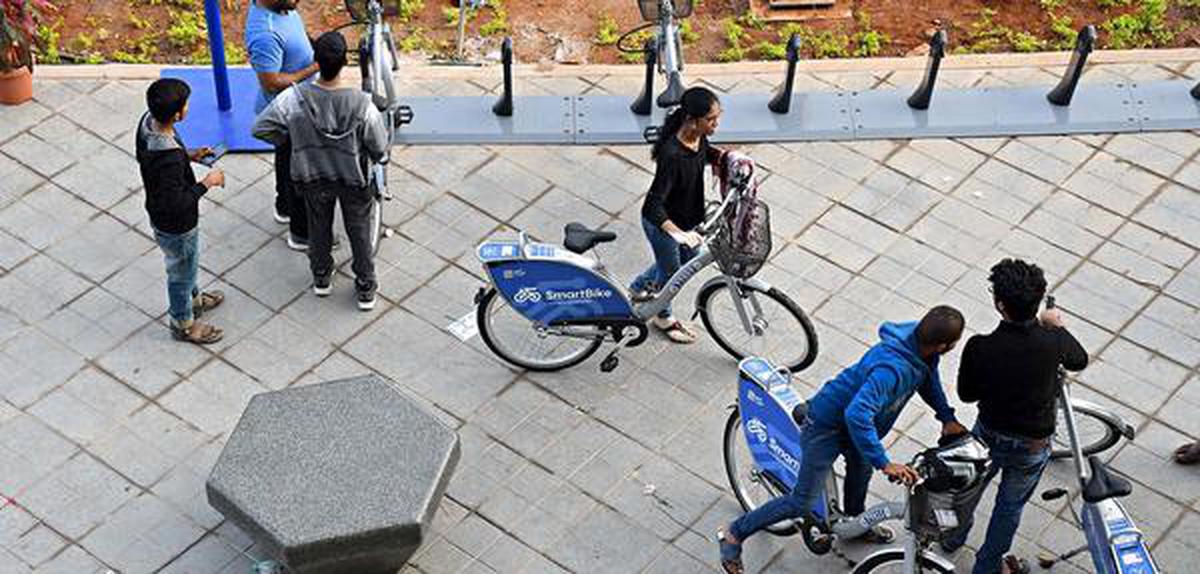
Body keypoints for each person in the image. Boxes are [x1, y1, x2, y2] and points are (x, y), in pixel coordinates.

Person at [718, 306, 970, 574]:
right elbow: (856, 414)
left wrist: (946, 418)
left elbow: (928, 379)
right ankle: (734, 534)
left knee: (860, 471)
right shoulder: (891, 369)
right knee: (801, 501)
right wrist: (884, 463)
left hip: (854, 427)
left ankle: (854, 525)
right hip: (827, 426)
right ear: (944, 345)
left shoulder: (922, 347)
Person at [941, 259, 1088, 574]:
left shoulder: (980, 347)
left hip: (988, 434)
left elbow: (967, 394)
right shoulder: (1052, 341)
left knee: (969, 490)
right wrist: (1057, 325)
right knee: (1009, 508)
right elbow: (1079, 359)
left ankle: (953, 537)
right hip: (1032, 445)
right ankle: (987, 566)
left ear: (999, 304)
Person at [252, 31, 388, 311]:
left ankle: (322, 277)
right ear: (345, 62)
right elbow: (378, 146)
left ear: (316, 60)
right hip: (353, 179)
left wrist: (293, 140)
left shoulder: (294, 98)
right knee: (359, 231)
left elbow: (261, 128)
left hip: (311, 178)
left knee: (318, 227)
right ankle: (365, 286)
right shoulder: (363, 104)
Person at [629, 86, 724, 344]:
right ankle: (663, 316)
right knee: (672, 273)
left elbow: (707, 154)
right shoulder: (672, 155)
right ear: (692, 120)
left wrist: (729, 159)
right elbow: (653, 205)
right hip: (664, 226)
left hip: (689, 218)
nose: (716, 123)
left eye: (718, 116)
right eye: (711, 119)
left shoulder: (699, 137)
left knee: (682, 262)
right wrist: (678, 234)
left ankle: (638, 288)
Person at [135, 78, 226, 344]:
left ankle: (194, 300)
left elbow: (166, 155)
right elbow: (178, 201)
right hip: (177, 225)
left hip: (160, 213)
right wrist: (207, 183)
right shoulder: (169, 160)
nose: (188, 107)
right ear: (177, 114)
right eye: (185, 105)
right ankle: (183, 322)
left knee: (187, 264)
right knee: (181, 272)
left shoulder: (147, 125)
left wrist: (191, 154)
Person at [245, 0, 320, 250]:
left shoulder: (281, 7)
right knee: (300, 172)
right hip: (289, 114)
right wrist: (313, 68)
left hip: (296, 108)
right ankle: (301, 234)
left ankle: (284, 207)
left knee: (286, 159)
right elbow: (272, 82)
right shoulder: (266, 34)